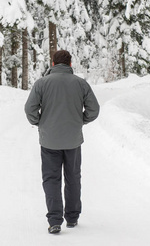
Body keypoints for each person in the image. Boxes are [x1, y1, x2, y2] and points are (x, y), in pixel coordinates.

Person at [24, 50, 100, 234]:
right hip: (73, 140)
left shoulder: (42, 83)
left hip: (49, 141)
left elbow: (29, 109)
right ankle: (72, 218)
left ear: (53, 63)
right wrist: (80, 120)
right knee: (73, 177)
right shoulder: (81, 84)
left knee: (51, 178)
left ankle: (54, 220)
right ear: (70, 64)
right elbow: (94, 109)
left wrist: (40, 122)